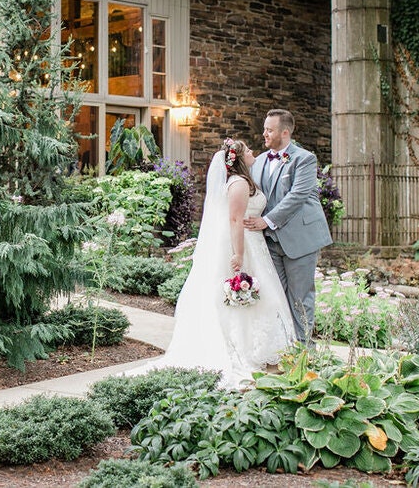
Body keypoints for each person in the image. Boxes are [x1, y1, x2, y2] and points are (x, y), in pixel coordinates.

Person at [128, 138, 295, 388]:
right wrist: (238, 254)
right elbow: (235, 220)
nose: (252, 152)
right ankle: (242, 350)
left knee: (259, 298)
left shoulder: (244, 181)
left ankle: (259, 349)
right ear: (237, 158)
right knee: (242, 299)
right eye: (247, 150)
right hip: (245, 245)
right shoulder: (238, 184)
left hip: (255, 244)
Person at [244, 109, 332, 346]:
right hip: (270, 241)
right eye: (264, 128)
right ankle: (282, 345)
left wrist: (267, 220)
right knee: (274, 296)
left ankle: (304, 350)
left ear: (284, 132)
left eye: (269, 130)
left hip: (300, 238)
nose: (264, 133)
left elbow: (298, 195)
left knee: (300, 297)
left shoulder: (304, 158)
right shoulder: (260, 161)